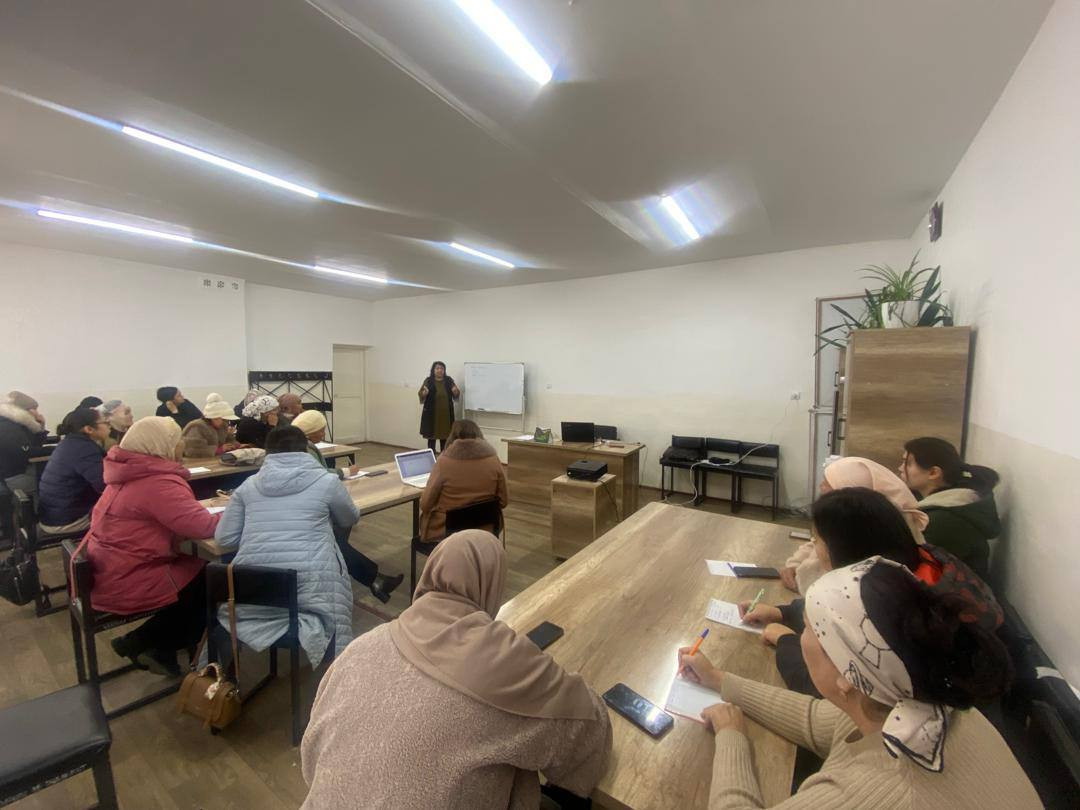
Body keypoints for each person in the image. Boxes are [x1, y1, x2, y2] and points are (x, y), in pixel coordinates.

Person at [679, 557, 1039, 809]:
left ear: (846, 675)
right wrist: (719, 680)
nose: (800, 635)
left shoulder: (868, 793)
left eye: (810, 629)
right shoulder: (918, 700)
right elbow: (817, 719)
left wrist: (731, 735)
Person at [300, 530, 612, 809]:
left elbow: (311, 755)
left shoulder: (361, 646)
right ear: (492, 584)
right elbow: (587, 738)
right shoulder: (503, 662)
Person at [743, 487, 1001, 696]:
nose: (815, 549)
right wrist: (782, 612)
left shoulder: (890, 611)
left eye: (817, 540)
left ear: (844, 547)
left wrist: (786, 640)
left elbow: (835, 691)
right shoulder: (912, 564)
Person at [82, 417, 221, 676]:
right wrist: (237, 510)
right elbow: (204, 527)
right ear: (160, 445)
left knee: (204, 574)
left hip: (108, 569)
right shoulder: (157, 482)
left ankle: (156, 644)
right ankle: (146, 642)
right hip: (130, 578)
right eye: (176, 439)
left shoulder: (126, 472)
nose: (181, 445)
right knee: (216, 580)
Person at [212, 426, 360, 666]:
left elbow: (225, 539)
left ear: (267, 452)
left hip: (255, 590)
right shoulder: (327, 481)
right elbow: (349, 518)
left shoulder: (248, 486)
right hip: (313, 588)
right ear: (306, 450)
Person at [280, 415, 404, 602]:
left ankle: (371, 578)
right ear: (310, 431)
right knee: (335, 538)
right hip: (298, 532)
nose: (324, 433)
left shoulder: (253, 486)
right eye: (321, 429)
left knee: (336, 538)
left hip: (292, 524)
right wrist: (344, 472)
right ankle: (372, 578)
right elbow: (319, 474)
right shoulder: (305, 450)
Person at [781, 456, 928, 594]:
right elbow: (818, 540)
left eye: (827, 483)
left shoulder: (871, 546)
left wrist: (800, 575)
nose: (821, 486)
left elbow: (825, 586)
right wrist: (794, 564)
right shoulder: (861, 520)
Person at [900, 437, 1001, 579]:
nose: (901, 468)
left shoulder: (941, 520)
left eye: (908, 463)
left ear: (933, 473)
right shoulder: (950, 503)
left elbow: (915, 568)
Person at [419, 419, 508, 541]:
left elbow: (425, 505)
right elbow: (503, 501)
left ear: (452, 436)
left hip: (448, 534)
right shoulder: (494, 460)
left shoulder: (443, 462)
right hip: (486, 529)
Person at [37, 408, 109, 535]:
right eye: (105, 422)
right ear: (89, 429)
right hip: (67, 520)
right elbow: (105, 485)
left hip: (54, 514)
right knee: (129, 516)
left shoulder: (70, 443)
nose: (109, 425)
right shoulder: (84, 449)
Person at [0, 390, 48, 499]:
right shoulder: (8, 428)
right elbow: (28, 452)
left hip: (13, 472)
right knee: (55, 483)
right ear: (24, 410)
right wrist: (58, 449)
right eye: (34, 409)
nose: (37, 412)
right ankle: (38, 509)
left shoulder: (13, 424)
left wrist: (40, 427)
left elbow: (34, 446)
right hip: (14, 476)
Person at [181, 393, 243, 458]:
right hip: (197, 462)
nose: (225, 422)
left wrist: (237, 445)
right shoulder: (196, 427)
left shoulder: (222, 426)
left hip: (216, 460)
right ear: (214, 418)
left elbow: (229, 440)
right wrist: (219, 450)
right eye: (223, 419)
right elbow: (192, 451)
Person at [417, 361, 459, 453]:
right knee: (431, 437)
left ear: (444, 370)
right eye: (437, 368)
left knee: (445, 437)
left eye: (442, 368)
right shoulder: (428, 380)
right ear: (433, 370)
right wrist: (424, 393)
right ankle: (431, 455)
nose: (440, 370)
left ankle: (444, 456)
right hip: (432, 414)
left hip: (446, 414)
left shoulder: (449, 380)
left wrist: (456, 392)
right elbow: (421, 394)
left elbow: (456, 393)